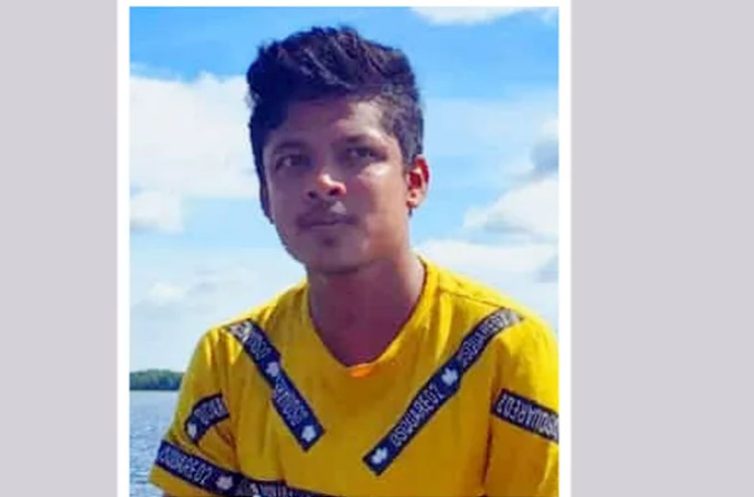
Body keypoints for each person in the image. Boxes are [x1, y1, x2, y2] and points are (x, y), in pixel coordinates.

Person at [149, 25, 559, 497]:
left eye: (358, 153)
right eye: (292, 160)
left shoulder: (501, 351)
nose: (323, 182)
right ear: (265, 196)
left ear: (414, 181)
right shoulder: (232, 361)